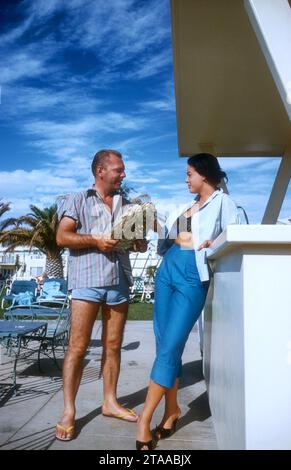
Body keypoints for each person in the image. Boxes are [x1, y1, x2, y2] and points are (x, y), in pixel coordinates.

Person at [136, 153, 240, 450]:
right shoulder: (185, 207)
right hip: (168, 270)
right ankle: (172, 410)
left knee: (169, 347)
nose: (186, 179)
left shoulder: (223, 203)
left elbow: (232, 238)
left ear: (204, 174)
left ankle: (145, 420)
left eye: (189, 174)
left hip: (194, 276)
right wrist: (149, 221)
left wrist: (214, 243)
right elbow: (165, 240)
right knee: (165, 345)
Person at [55, 149, 147, 441]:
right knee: (78, 347)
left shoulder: (128, 204)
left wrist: (138, 242)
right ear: (100, 171)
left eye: (122, 170)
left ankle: (109, 402)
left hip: (118, 281)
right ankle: (69, 411)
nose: (123, 174)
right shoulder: (78, 199)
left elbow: (137, 244)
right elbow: (62, 237)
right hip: (86, 281)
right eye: (118, 170)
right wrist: (96, 240)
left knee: (113, 345)